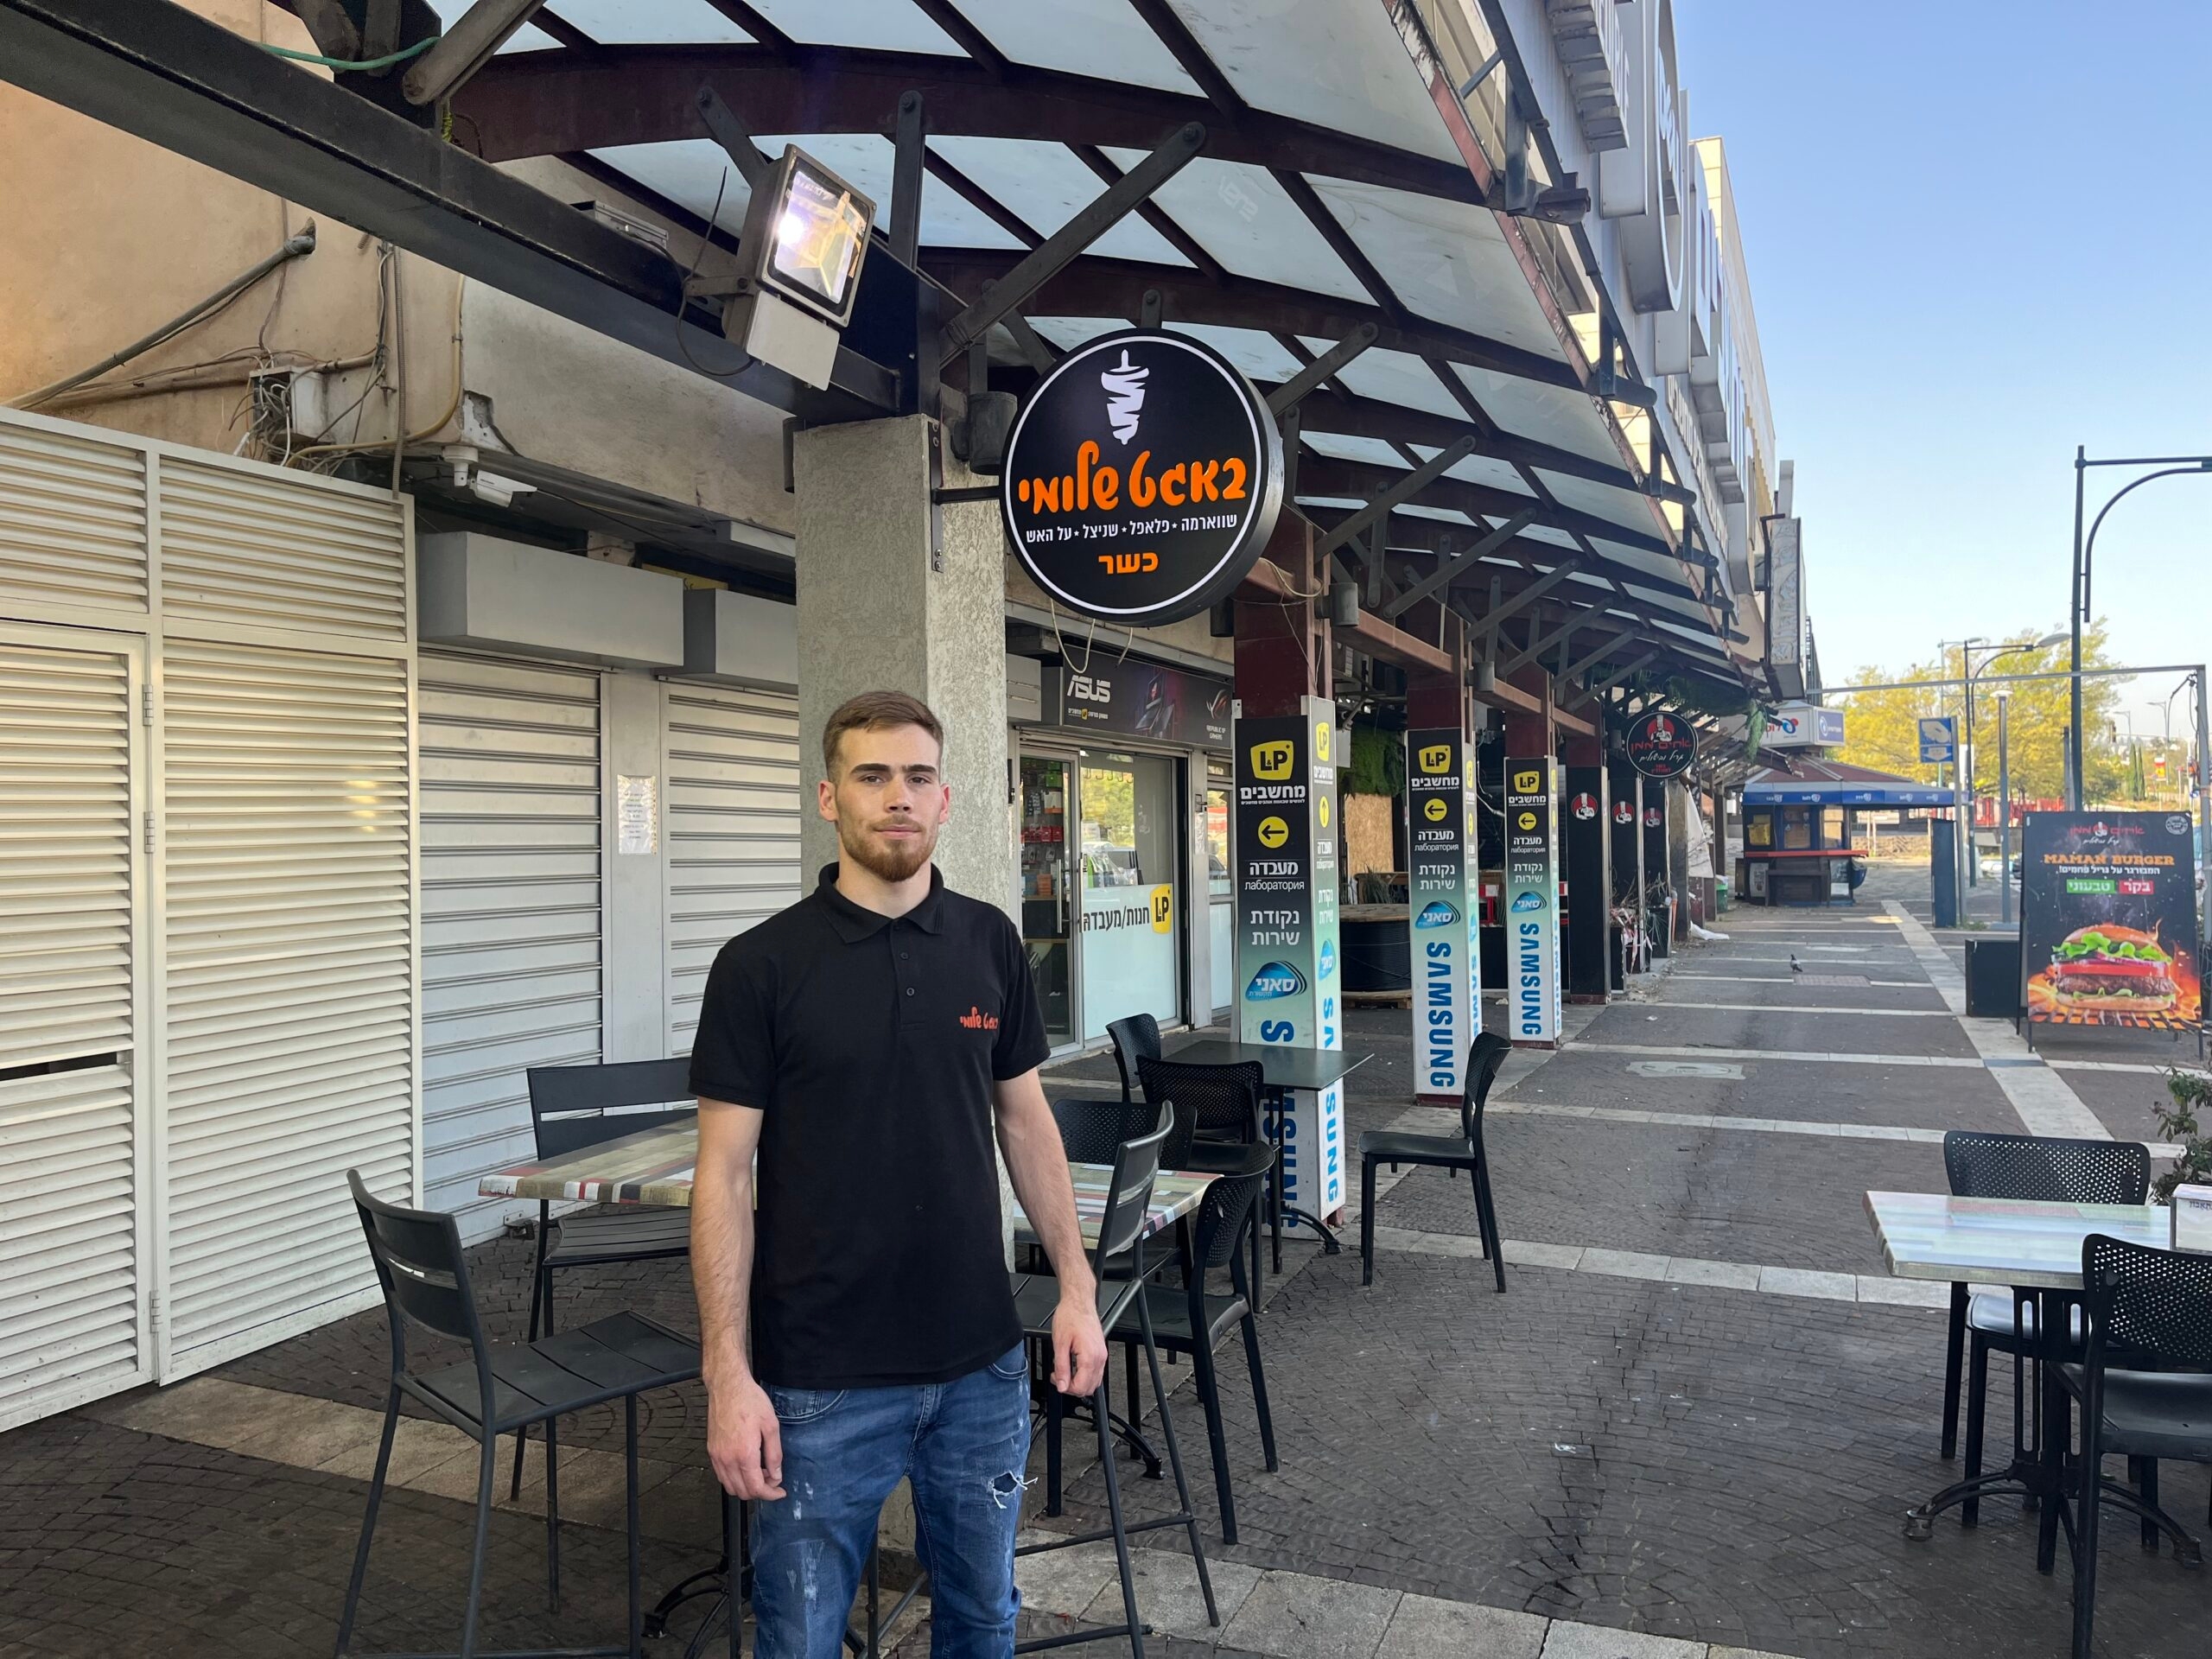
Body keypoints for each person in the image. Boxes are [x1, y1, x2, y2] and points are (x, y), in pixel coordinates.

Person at [689, 690, 1109, 1659]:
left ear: (946, 799)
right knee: (798, 1639)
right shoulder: (760, 967)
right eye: (871, 776)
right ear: (830, 798)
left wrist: (1077, 1288)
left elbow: (1026, 1121)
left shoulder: (990, 943)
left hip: (980, 1364)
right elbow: (723, 1179)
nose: (897, 797)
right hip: (817, 1379)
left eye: (917, 777)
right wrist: (727, 1373)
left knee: (982, 1622)